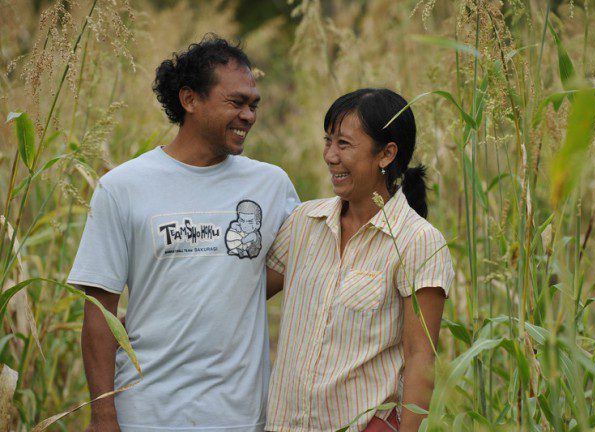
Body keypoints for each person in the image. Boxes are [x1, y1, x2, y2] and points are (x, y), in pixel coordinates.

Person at [68, 34, 299, 432]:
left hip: (241, 416)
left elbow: (302, 261)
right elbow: (100, 311)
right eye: (236, 102)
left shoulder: (271, 185)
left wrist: (232, 290)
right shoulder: (124, 187)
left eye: (253, 104)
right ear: (190, 100)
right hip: (147, 411)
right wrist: (103, 414)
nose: (249, 115)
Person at [265, 88, 454, 431]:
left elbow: (420, 357)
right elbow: (247, 291)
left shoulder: (417, 241)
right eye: (328, 141)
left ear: (386, 154)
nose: (330, 156)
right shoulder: (305, 223)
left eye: (344, 144)